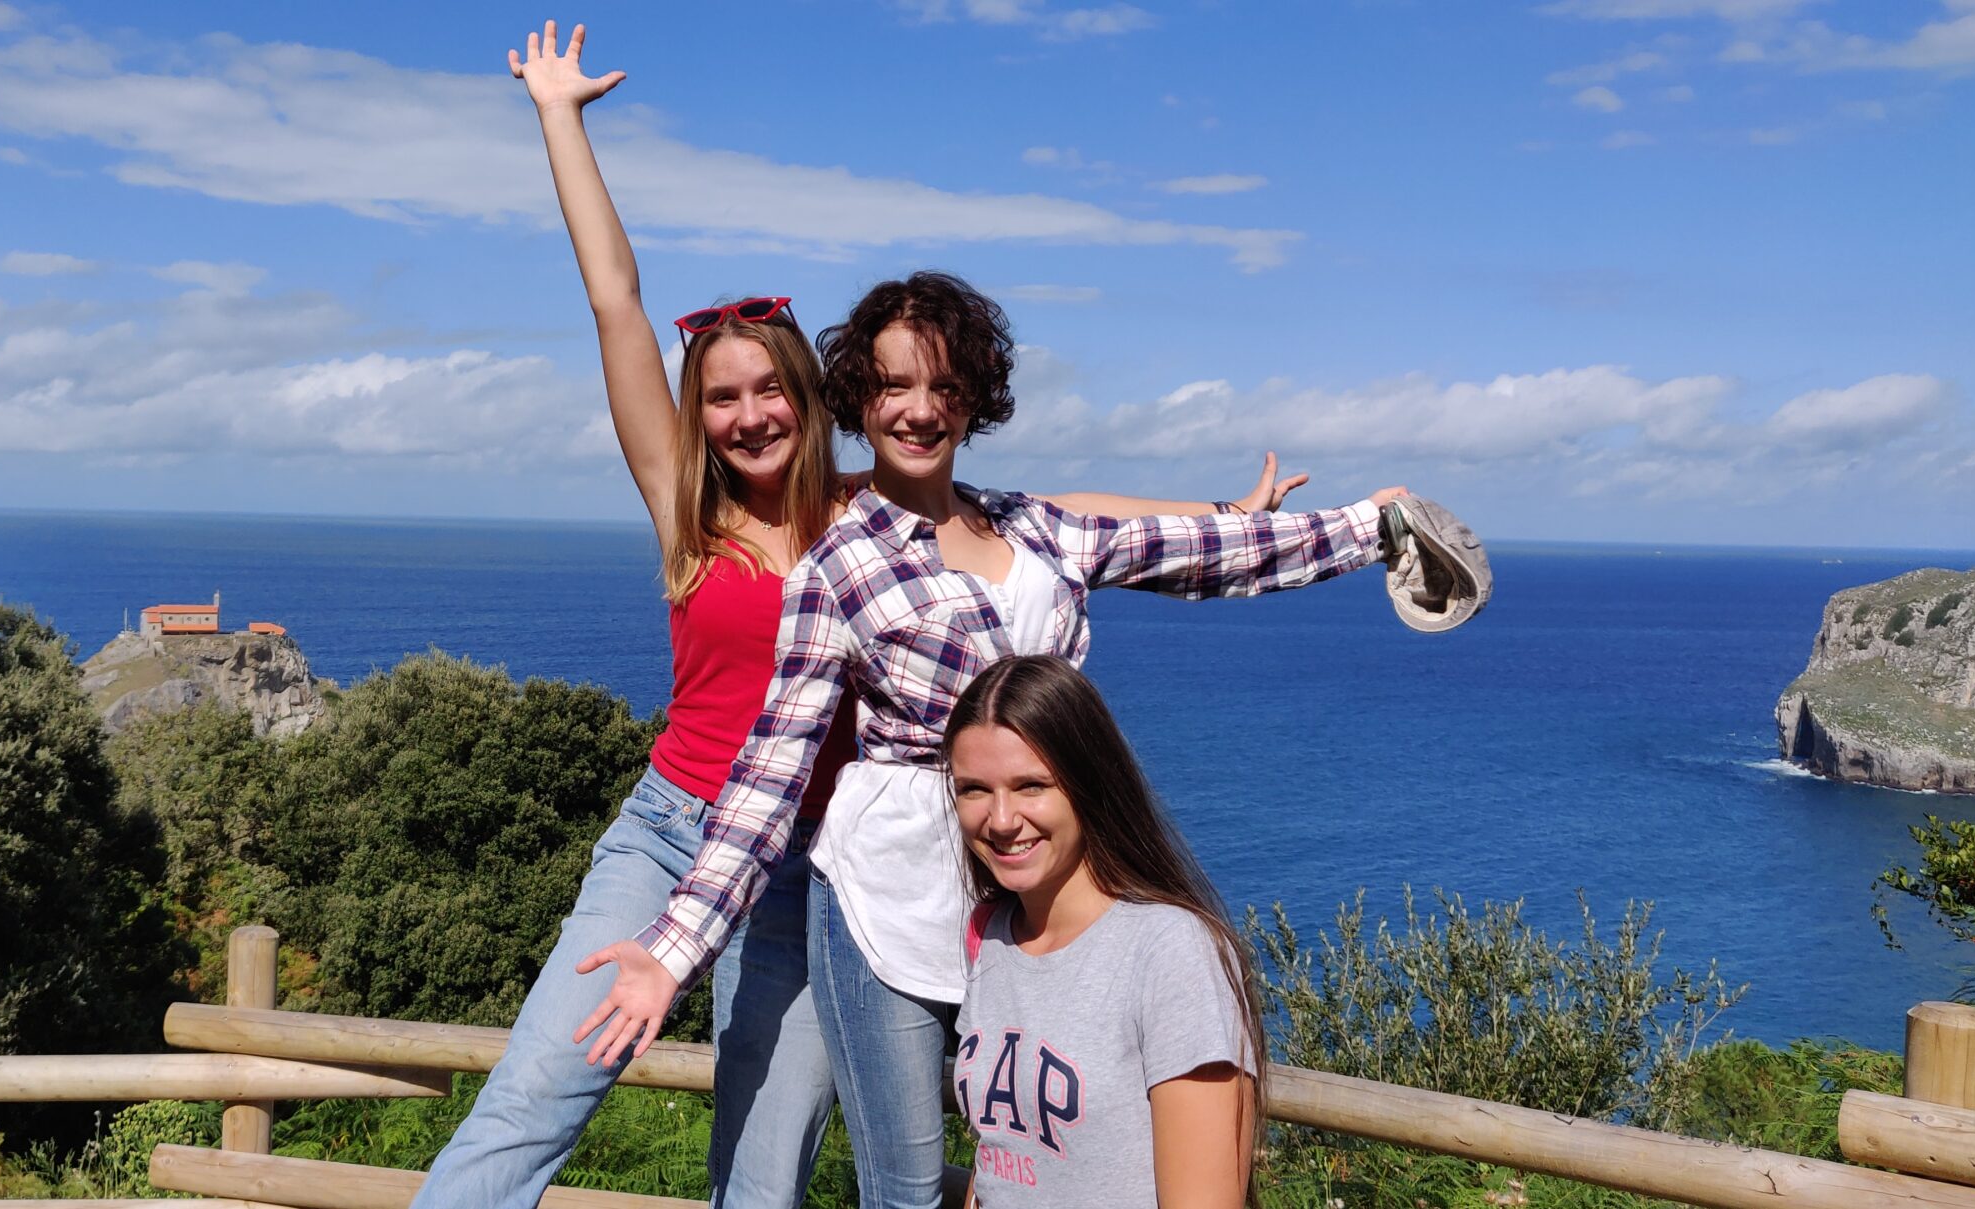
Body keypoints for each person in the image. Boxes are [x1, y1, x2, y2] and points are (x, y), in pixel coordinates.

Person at [415, 24, 1307, 1209]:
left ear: (810, 397)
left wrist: (1222, 519)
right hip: (676, 830)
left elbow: (1062, 513)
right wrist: (558, 119)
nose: (747, 417)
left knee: (764, 1167)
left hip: (813, 868)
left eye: (767, 390)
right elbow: (614, 302)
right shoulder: (686, 512)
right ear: (698, 417)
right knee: (540, 1091)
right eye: (720, 399)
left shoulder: (872, 517)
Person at [576, 268, 1409, 1208]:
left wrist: (1374, 528)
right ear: (859, 398)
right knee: (907, 1191)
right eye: (894, 385)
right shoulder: (837, 568)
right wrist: (674, 950)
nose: (920, 409)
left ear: (974, 397)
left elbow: (1210, 554)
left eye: (944, 385)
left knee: (1038, 1154)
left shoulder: (1039, 530)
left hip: (1022, 897)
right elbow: (769, 779)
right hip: (883, 906)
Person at [948, 654, 1261, 1208]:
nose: (1001, 819)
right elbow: (1001, 1158)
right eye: (974, 789)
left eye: (1031, 786)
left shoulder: (1170, 952)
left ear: (1089, 783)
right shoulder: (993, 935)